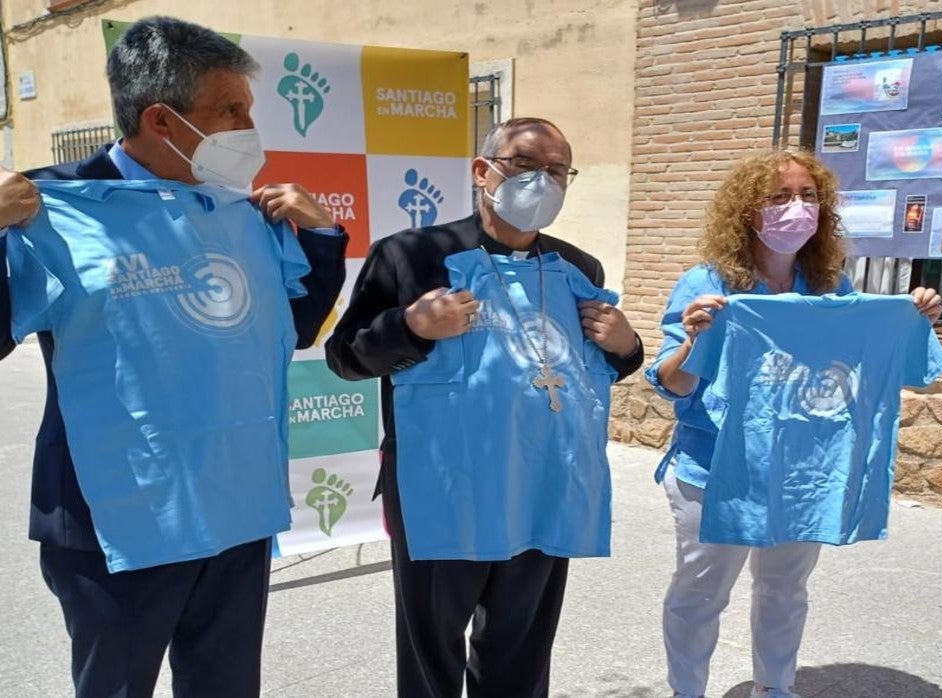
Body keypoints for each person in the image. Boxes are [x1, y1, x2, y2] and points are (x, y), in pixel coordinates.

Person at [0, 16, 347, 697]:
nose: (251, 129)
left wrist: (324, 236)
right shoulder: (49, 204)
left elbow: (293, 329)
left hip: (234, 507)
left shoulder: (240, 209)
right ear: (161, 120)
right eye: (232, 111)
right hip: (117, 519)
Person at [325, 117, 645, 697]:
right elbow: (346, 357)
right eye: (527, 165)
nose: (542, 181)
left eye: (557, 170)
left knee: (520, 646)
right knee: (431, 649)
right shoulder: (410, 256)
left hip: (541, 478)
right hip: (442, 484)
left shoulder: (580, 268)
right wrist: (412, 327)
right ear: (483, 171)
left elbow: (593, 364)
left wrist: (628, 347)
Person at [646, 150, 942, 698]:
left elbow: (877, 359)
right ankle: (686, 692)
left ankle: (775, 689)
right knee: (701, 593)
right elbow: (671, 383)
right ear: (746, 210)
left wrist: (913, 316)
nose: (796, 208)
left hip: (803, 469)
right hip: (715, 472)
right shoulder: (709, 283)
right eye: (779, 197)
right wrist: (693, 339)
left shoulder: (832, 286)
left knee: (785, 589)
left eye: (808, 196)